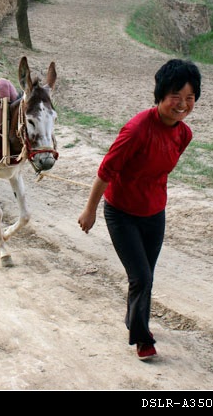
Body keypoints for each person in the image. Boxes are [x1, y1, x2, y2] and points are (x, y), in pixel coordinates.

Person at [77, 59, 201, 361]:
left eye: (190, 97)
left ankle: (134, 319)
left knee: (145, 276)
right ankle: (142, 338)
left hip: (155, 214)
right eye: (176, 96)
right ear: (160, 94)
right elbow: (105, 171)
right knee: (141, 278)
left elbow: (159, 171)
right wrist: (90, 210)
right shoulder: (136, 130)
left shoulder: (183, 134)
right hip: (121, 214)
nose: (183, 104)